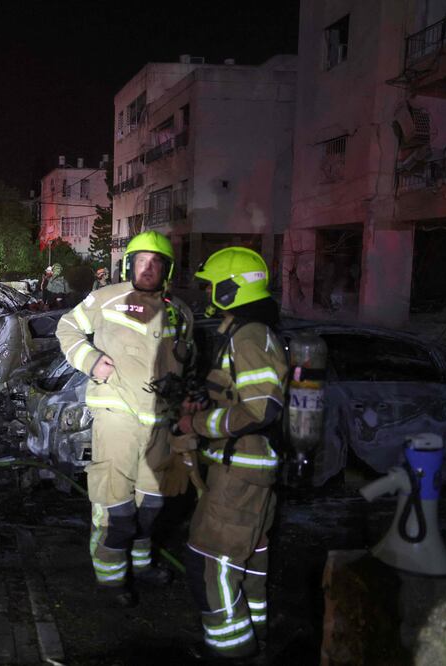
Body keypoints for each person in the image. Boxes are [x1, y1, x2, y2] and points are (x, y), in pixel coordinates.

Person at [55, 230, 194, 608]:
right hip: (116, 418)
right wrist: (90, 360)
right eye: (140, 261)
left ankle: (142, 566)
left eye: (156, 262)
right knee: (116, 510)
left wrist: (185, 411)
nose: (147, 268)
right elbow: (66, 327)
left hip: (160, 427)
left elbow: (185, 367)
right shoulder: (105, 298)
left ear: (167, 269)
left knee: (151, 509)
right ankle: (111, 581)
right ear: (128, 264)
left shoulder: (181, 312)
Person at [170, 247, 287, 660]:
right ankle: (253, 643)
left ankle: (231, 652)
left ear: (230, 288)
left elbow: (260, 409)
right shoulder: (249, 330)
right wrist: (207, 402)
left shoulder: (250, 335)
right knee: (248, 565)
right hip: (249, 472)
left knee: (210, 566)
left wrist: (198, 426)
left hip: (241, 474)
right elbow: (243, 396)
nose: (205, 292)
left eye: (210, 285)